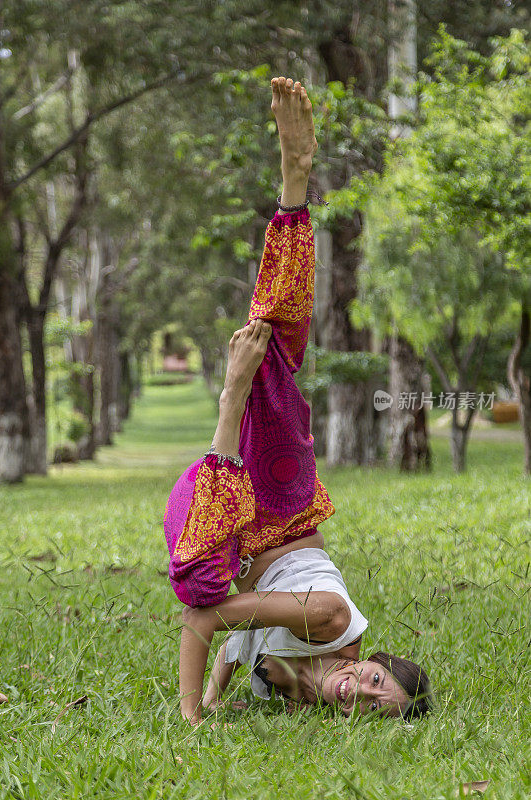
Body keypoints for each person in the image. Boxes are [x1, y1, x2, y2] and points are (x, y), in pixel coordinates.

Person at [163, 77, 432, 726]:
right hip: (279, 506)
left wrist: (217, 687)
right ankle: (295, 184)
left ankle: (233, 405)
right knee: (273, 354)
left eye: (371, 707)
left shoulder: (297, 689)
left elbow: (232, 637)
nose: (359, 691)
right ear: (374, 658)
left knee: (200, 576)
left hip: (225, 529)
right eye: (374, 680)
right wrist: (195, 716)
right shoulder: (328, 619)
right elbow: (213, 620)